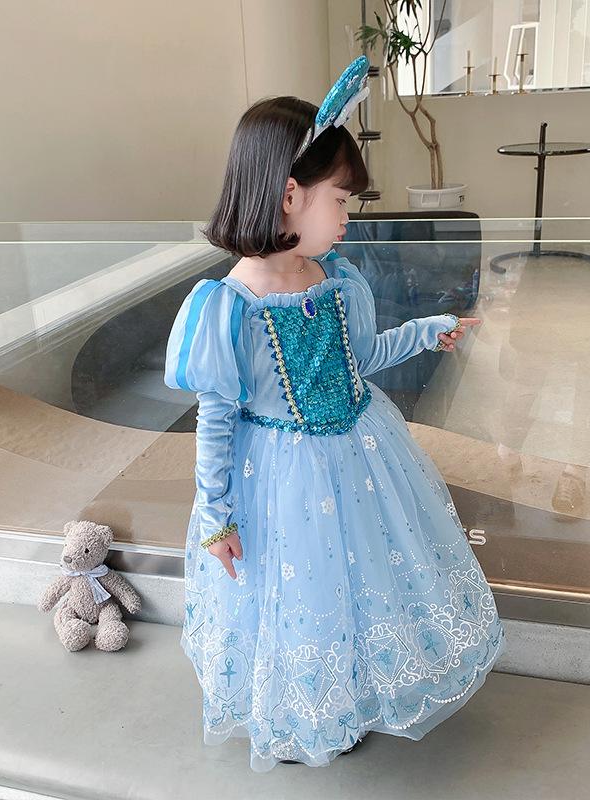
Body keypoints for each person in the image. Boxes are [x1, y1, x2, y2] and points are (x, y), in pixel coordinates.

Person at [165, 56, 506, 773]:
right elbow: (216, 421)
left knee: (360, 583)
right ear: (290, 195)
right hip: (279, 481)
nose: (349, 217)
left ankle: (352, 695)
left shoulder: (337, 277)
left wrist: (426, 332)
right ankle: (302, 712)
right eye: (341, 201)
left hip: (360, 456)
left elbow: (362, 356)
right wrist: (216, 514)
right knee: (296, 594)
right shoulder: (227, 308)